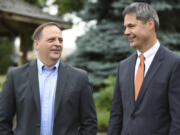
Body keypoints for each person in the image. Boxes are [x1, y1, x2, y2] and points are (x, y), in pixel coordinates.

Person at [0, 22, 97, 135]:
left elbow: (89, 122)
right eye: (51, 40)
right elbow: (2, 121)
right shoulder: (15, 77)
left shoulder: (80, 78)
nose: (57, 44)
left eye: (60, 40)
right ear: (37, 44)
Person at [108, 2, 180, 135]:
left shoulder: (174, 64)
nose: (126, 32)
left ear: (150, 24)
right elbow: (116, 115)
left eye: (131, 26)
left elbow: (178, 121)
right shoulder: (123, 66)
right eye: (125, 27)